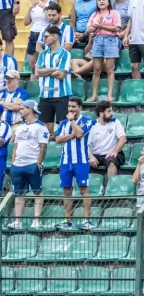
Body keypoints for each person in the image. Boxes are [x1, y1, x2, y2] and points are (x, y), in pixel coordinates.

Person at [7, 100, 49, 229]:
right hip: (18, 165)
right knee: (19, 194)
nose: (20, 110)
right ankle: (17, 221)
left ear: (30, 109)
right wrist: (13, 162)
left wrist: (39, 162)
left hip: (32, 164)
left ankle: (36, 220)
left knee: (37, 192)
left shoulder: (40, 126)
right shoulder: (19, 127)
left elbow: (43, 146)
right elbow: (15, 146)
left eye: (22, 108)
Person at [54, 97, 94, 230]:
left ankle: (87, 220)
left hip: (81, 160)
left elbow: (80, 133)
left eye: (73, 107)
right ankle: (67, 219)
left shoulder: (87, 120)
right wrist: (72, 135)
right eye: (69, 107)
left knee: (84, 189)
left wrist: (72, 121)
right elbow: (58, 139)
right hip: (65, 161)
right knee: (66, 190)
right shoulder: (63, 123)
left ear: (80, 108)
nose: (71, 109)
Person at [36, 25, 73, 133]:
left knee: (63, 127)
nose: (44, 39)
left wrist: (45, 71)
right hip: (44, 95)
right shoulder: (43, 54)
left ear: (55, 37)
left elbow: (61, 75)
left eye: (46, 36)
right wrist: (53, 69)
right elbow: (37, 72)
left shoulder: (65, 53)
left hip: (61, 96)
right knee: (45, 129)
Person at [86, 0, 121, 102]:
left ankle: (110, 95)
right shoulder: (94, 14)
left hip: (110, 40)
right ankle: (94, 95)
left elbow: (117, 28)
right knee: (96, 69)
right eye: (99, 0)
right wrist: (96, 26)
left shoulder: (114, 13)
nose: (101, 1)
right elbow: (88, 29)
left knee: (110, 69)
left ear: (108, 1)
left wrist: (102, 26)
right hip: (97, 39)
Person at [87, 100, 127, 177]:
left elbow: (123, 139)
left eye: (111, 111)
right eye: (109, 111)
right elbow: (85, 143)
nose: (112, 113)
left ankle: (110, 187)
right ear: (101, 113)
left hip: (111, 153)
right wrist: (91, 157)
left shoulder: (115, 122)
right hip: (96, 155)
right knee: (81, 163)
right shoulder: (91, 125)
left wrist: (115, 151)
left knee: (111, 162)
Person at [23, 0, 54, 73]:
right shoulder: (35, 5)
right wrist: (29, 9)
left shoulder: (51, 4)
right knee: (33, 67)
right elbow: (26, 22)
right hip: (33, 35)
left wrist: (44, 7)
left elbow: (52, 20)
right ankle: (33, 85)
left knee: (44, 65)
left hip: (46, 35)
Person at [0, 69, 28, 134]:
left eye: (10, 78)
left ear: (17, 80)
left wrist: (1, 103)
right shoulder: (1, 92)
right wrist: (12, 105)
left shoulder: (23, 93)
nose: (7, 80)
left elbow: (17, 107)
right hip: (2, 124)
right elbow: (14, 106)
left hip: (16, 124)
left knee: (16, 131)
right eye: (6, 78)